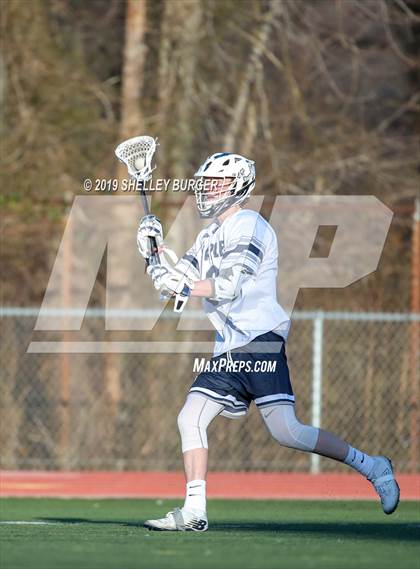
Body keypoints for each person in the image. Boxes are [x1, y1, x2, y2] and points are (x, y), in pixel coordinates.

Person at [136, 152, 400, 532]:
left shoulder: (250, 225)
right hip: (228, 349)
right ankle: (194, 510)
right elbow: (174, 285)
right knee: (190, 417)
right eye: (206, 183)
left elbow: (228, 285)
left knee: (286, 431)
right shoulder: (207, 237)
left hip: (259, 340)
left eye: (218, 183)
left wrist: (181, 283)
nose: (208, 190)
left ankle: (372, 466)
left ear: (239, 186)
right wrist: (153, 255)